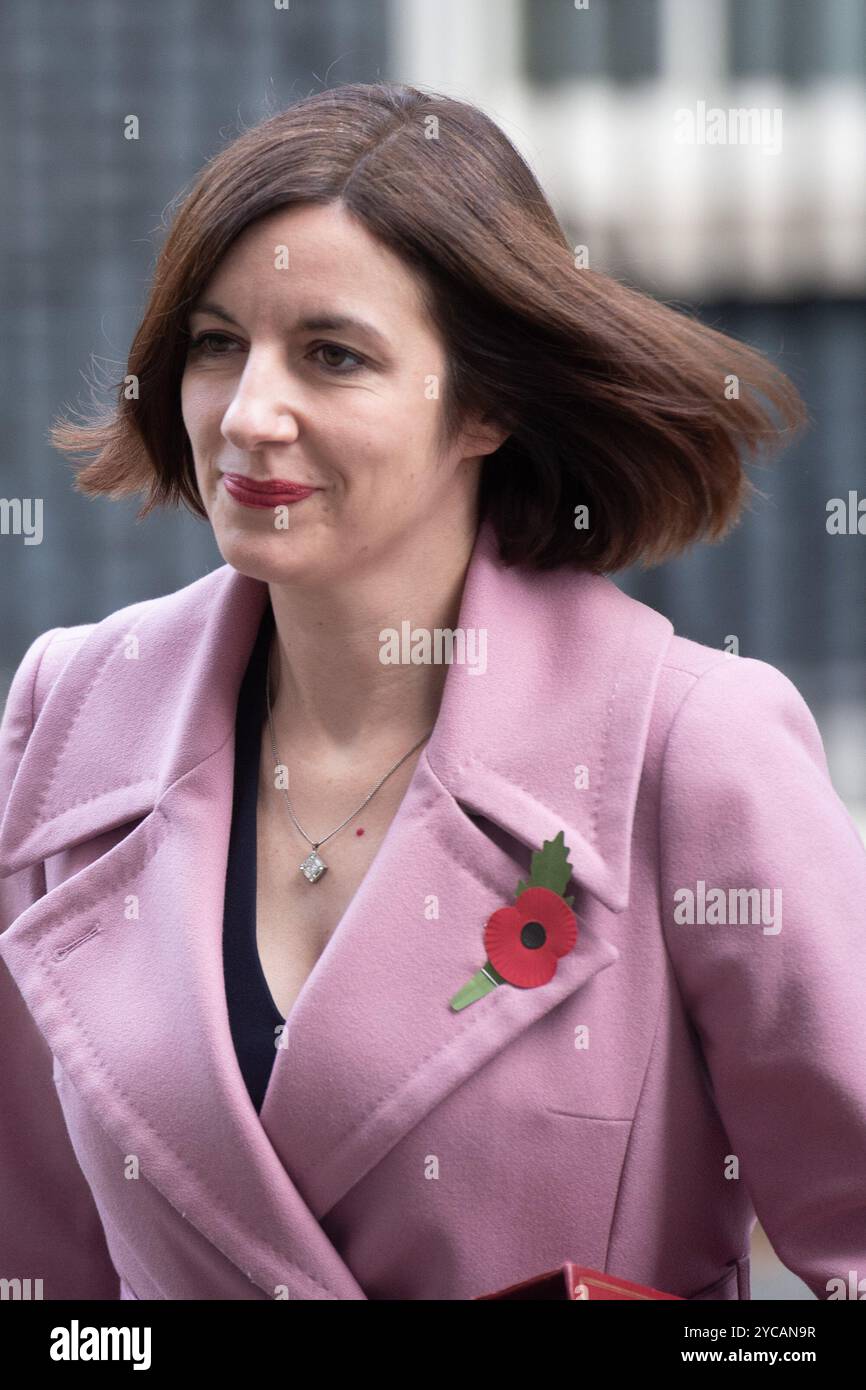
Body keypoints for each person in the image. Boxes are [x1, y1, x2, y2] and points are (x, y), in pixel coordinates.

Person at [1, 81, 864, 1303]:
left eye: (331, 355)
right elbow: (39, 1286)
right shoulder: (70, 716)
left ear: (487, 404)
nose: (249, 414)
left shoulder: (690, 748)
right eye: (214, 345)